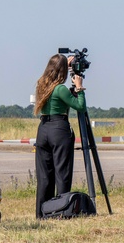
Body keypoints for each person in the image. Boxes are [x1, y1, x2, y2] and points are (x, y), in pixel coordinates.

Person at [33, 53, 86, 218]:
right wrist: (79, 88)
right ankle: (61, 210)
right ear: (62, 70)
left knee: (44, 176)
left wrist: (67, 66)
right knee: (62, 173)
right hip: (59, 129)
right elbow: (80, 106)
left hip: (43, 130)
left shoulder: (42, 85)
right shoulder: (60, 89)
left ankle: (41, 213)